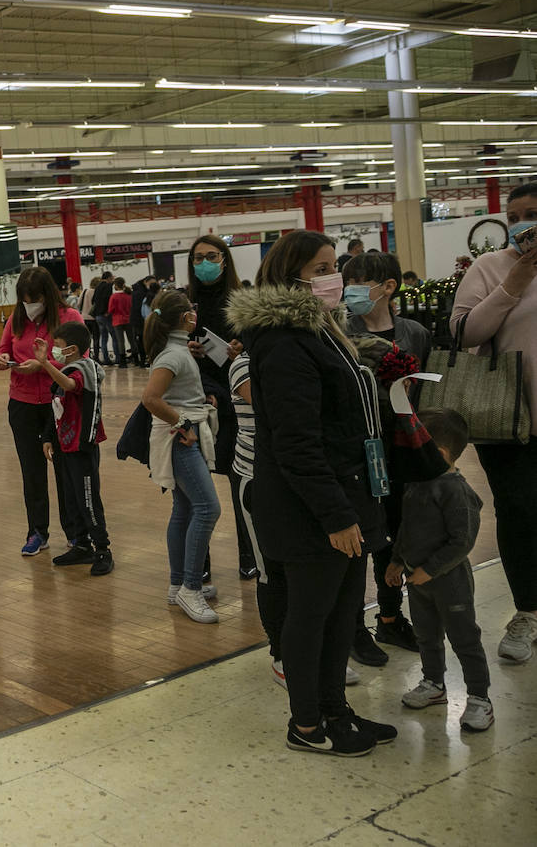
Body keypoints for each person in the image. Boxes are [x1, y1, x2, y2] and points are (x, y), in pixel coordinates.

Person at [227, 229, 394, 758]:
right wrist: (336, 515)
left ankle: (335, 710)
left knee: (342, 612)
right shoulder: (282, 342)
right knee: (311, 615)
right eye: (320, 268)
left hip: (344, 494)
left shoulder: (321, 332)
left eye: (333, 266)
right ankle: (307, 723)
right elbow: (296, 445)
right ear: (290, 277)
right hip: (312, 508)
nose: (333, 277)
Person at [449, 180, 537, 663]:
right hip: (507, 418)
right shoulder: (489, 267)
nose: (523, 222)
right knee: (520, 514)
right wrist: (513, 285)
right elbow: (464, 333)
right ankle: (528, 610)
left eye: (533, 213)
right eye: (515, 214)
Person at [342, 250, 431, 663]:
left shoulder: (413, 332)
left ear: (388, 287)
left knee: (398, 531)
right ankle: (353, 626)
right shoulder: (341, 329)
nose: (350, 292)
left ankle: (391, 617)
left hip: (403, 449)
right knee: (364, 535)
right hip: (361, 450)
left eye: (359, 283)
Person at [387, 408, 492, 732]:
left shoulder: (456, 491)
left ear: (440, 452)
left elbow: (462, 541)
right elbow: (407, 527)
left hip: (450, 582)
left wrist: (429, 570)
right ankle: (434, 684)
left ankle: (479, 698)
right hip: (418, 580)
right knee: (426, 636)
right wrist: (396, 560)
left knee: (464, 638)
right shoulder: (417, 482)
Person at [141, 291, 221, 623]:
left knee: (185, 507)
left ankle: (178, 584)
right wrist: (184, 422)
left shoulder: (176, 351)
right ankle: (190, 586)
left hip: (183, 435)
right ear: (183, 318)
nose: (195, 314)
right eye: (191, 310)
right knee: (207, 508)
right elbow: (151, 398)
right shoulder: (171, 356)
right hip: (181, 440)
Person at [0, 267, 83, 555]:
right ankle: (37, 532)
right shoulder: (17, 318)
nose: (30, 304)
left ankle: (75, 531)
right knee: (32, 472)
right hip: (22, 404)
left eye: (35, 298)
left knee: (65, 471)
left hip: (59, 404)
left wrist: (44, 365)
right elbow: (2, 349)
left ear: (48, 295)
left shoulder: (70, 318)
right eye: (25, 299)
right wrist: (1, 358)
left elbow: (81, 360)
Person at [185, 233, 256, 582]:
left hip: (232, 404)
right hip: (194, 404)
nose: (204, 264)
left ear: (225, 259)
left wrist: (238, 353)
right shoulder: (186, 304)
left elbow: (256, 351)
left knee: (238, 482)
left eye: (210, 256)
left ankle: (248, 554)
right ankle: (201, 563)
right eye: (197, 258)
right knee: (196, 492)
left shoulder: (241, 302)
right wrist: (188, 350)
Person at [37, 321, 113, 575]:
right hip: (64, 446)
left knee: (88, 500)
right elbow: (56, 404)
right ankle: (81, 545)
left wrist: (45, 364)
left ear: (71, 349)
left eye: (57, 347)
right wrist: (48, 437)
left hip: (82, 447)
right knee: (71, 498)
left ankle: (102, 549)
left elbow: (71, 385)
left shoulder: (85, 369)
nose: (54, 351)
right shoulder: (67, 369)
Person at [90, 271, 115, 365]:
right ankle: (118, 358)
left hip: (97, 316)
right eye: (112, 278)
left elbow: (93, 301)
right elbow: (107, 299)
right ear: (109, 278)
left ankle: (106, 359)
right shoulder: (108, 286)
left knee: (103, 338)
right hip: (105, 315)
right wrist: (107, 311)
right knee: (114, 336)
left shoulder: (97, 287)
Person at [108, 278, 131, 367]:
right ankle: (137, 359)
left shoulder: (113, 297)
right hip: (128, 319)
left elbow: (110, 310)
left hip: (117, 320)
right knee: (132, 340)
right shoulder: (128, 296)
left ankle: (123, 362)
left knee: (120, 341)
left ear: (115, 286)